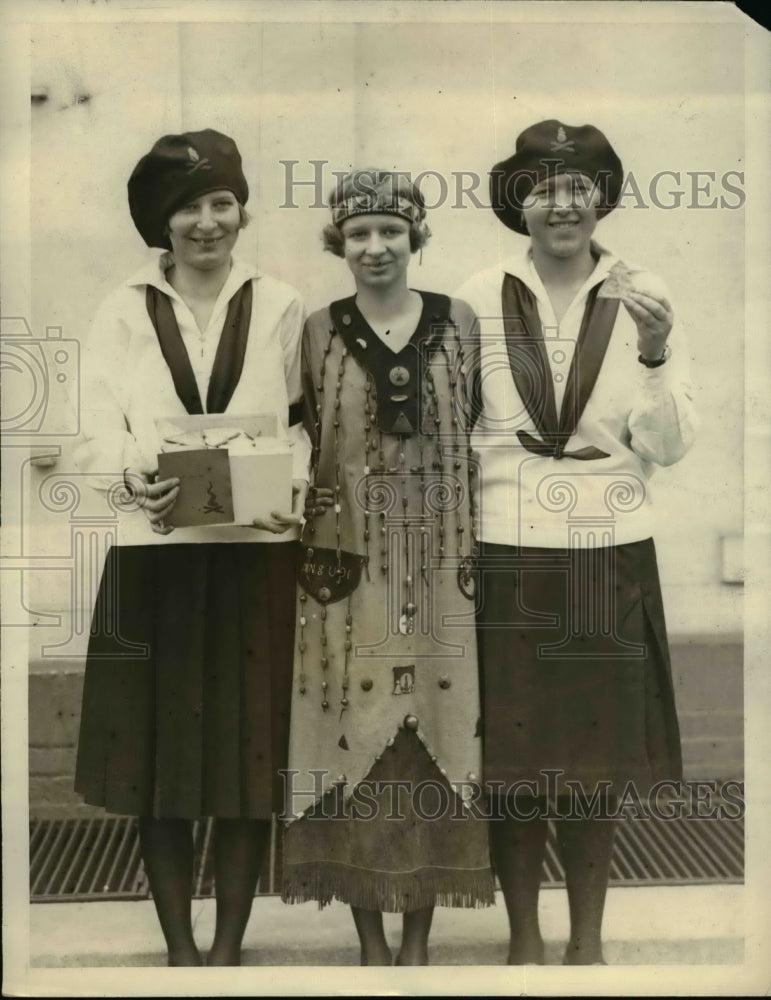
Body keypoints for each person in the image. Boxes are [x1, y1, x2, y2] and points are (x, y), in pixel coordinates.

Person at [456, 120, 698, 965]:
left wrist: (657, 352)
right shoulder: (478, 293)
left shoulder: (641, 293)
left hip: (606, 541)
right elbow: (456, 431)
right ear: (517, 201)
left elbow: (666, 446)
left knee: (594, 757)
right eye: (542, 186)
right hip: (507, 543)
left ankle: (586, 940)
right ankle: (522, 938)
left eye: (578, 184)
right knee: (514, 755)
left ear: (601, 196)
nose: (562, 202)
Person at [73, 129, 310, 966]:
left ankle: (231, 945)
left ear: (241, 209)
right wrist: (132, 475)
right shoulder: (122, 309)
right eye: (187, 209)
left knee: (245, 760)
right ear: (160, 222)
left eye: (221, 203)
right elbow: (92, 432)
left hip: (250, 559)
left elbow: (299, 425)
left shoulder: (280, 303)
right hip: (155, 559)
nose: (206, 223)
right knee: (161, 760)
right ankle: (179, 949)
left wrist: (289, 495)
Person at [281, 169, 494, 966]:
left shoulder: (458, 322)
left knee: (436, 737)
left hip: (441, 569)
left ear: (415, 238)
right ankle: (370, 944)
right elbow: (292, 440)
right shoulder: (316, 331)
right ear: (339, 243)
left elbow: (477, 426)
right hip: (346, 575)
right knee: (354, 740)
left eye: (390, 232)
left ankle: (417, 944)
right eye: (359, 234)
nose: (375, 247)